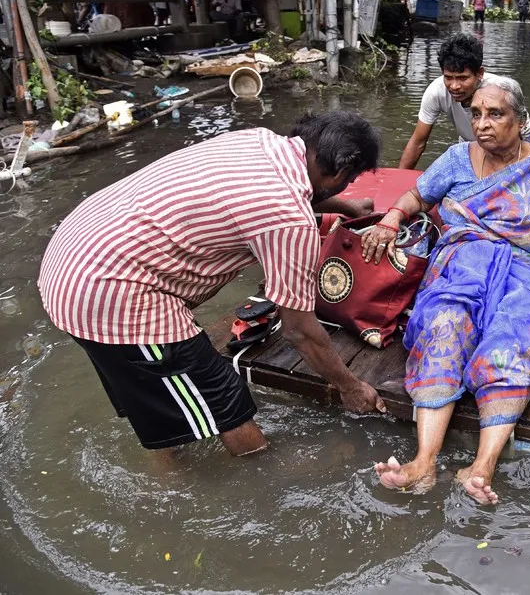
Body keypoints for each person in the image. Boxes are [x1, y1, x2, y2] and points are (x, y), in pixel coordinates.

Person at [38, 113, 388, 457]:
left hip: (74, 251)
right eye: (350, 180)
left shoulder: (259, 141)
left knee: (154, 391)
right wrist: (349, 386)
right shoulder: (289, 219)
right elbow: (300, 331)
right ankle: (257, 482)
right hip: (111, 289)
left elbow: (285, 188)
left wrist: (343, 205)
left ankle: (169, 472)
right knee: (226, 399)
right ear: (342, 172)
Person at [366, 78, 530, 504]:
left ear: (520, 121)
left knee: (521, 334)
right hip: (463, 262)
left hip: (527, 269)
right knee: (444, 323)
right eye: (476, 114)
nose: (481, 124)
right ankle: (424, 461)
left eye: (495, 114)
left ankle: (482, 466)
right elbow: (416, 194)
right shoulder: (456, 159)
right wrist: (391, 218)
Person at [398, 33, 530, 170]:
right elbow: (418, 142)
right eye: (448, 77)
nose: (454, 86)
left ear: (479, 74)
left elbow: (526, 138)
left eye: (463, 78)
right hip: (469, 149)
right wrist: (397, 180)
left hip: (507, 151)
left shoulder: (502, 92)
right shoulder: (436, 92)